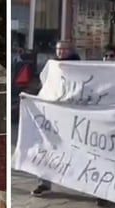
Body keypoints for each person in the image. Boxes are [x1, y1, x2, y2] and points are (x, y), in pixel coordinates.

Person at [31, 40, 80, 197]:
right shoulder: (52, 66)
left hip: (73, 115)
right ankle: (44, 182)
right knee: (47, 147)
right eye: (58, 49)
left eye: (64, 49)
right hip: (53, 114)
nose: (60, 52)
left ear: (69, 50)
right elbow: (46, 85)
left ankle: (89, 183)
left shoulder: (79, 67)